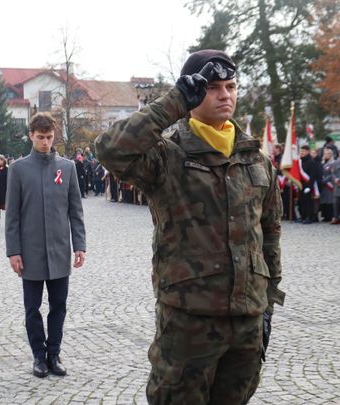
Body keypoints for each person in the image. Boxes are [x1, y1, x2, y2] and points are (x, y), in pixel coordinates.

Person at [95, 49, 284, 404]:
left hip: (247, 321)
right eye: (213, 87)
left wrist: (268, 304)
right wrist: (174, 102)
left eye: (231, 86)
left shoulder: (255, 158)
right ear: (193, 92)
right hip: (188, 322)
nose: (225, 95)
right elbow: (109, 149)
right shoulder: (168, 155)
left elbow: (270, 233)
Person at [6, 112, 86, 379]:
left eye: (49, 137)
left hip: (59, 250)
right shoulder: (18, 169)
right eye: (40, 137)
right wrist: (13, 251)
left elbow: (76, 211)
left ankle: (54, 353)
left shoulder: (68, 167)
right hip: (30, 252)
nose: (45, 142)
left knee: (59, 306)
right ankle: (38, 356)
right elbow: (12, 215)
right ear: (31, 135)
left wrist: (80, 245)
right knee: (32, 309)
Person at [320, 148, 335, 222]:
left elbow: (332, 174)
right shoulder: (322, 163)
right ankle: (325, 216)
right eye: (325, 154)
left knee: (329, 200)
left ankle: (330, 216)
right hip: (323, 185)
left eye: (328, 154)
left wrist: (325, 180)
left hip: (329, 184)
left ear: (331, 155)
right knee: (324, 200)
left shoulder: (333, 163)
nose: (326, 155)